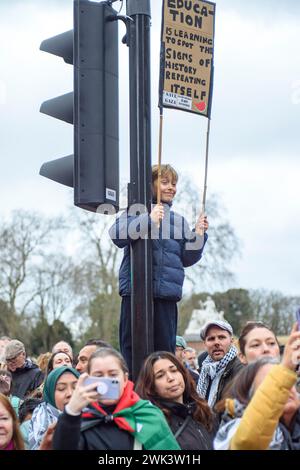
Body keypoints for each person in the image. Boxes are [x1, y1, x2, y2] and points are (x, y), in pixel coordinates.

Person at [109, 164, 209, 372]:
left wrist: (198, 235)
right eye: (164, 182)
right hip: (135, 293)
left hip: (166, 296)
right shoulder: (136, 211)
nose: (171, 187)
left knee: (164, 353)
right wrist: (149, 219)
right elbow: (117, 235)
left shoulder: (178, 220)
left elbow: (187, 257)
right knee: (131, 349)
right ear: (152, 185)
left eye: (173, 184)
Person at [53, 347, 180, 450]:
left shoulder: (148, 414)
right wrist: (72, 411)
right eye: (99, 375)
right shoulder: (77, 420)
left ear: (125, 379)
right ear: (89, 379)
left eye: (113, 374)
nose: (106, 381)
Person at [214, 323, 300, 450]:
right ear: (241, 356)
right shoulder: (236, 423)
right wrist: (285, 369)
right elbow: (247, 442)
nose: (266, 349)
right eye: (255, 345)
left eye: (271, 343)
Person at [136, 351, 213, 450]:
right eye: (160, 375)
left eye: (174, 370)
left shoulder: (202, 410)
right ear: (151, 386)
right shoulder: (154, 424)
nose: (171, 378)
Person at [28, 365, 79, 449]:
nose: (70, 393)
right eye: (61, 388)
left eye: (75, 387)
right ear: (50, 393)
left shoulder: (93, 413)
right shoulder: (42, 417)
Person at [197, 320, 243, 408]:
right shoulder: (203, 373)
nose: (216, 343)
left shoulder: (241, 371)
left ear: (231, 341)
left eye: (221, 337)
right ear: (205, 344)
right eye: (211, 339)